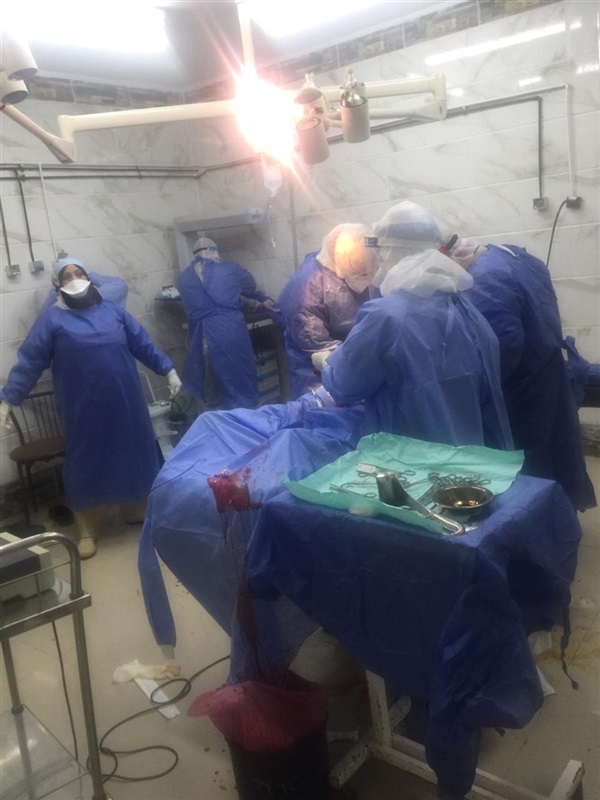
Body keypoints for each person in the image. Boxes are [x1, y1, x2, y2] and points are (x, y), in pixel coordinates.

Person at [0, 258, 182, 559]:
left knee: (133, 452)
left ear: (90, 278)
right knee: (87, 461)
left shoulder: (113, 311)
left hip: (126, 401)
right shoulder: (52, 320)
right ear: (57, 284)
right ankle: (87, 529)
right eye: (67, 275)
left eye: (79, 273)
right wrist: (9, 398)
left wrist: (168, 369)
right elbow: (30, 361)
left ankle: (134, 510)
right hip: (83, 406)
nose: (74, 278)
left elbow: (143, 344)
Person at [318, 203, 514, 450]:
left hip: (409, 461)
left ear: (389, 253)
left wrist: (326, 362)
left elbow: (343, 386)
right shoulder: (465, 309)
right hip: (468, 460)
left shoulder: (386, 316)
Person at [434, 213, 596, 511]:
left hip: (522, 392)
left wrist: (469, 388)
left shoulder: (486, 281)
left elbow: (500, 350)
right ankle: (559, 512)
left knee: (531, 464)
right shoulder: (511, 255)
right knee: (556, 448)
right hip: (548, 373)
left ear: (443, 255)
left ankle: (538, 521)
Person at [277, 223, 378, 399]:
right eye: (360, 274)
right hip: (317, 378)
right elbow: (317, 347)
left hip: (354, 366)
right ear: (340, 262)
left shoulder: (359, 261)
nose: (365, 282)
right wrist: (352, 362)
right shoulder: (307, 289)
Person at [177, 237, 276, 410]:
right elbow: (249, 286)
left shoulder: (183, 278)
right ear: (215, 252)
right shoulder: (229, 269)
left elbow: (213, 299)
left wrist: (252, 302)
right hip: (228, 333)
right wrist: (258, 301)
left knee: (212, 391)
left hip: (201, 341)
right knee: (241, 386)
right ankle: (248, 422)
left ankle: (218, 425)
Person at [40, 257, 129, 312]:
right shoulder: (54, 313)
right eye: (67, 277)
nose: (74, 280)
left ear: (87, 276)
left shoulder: (104, 298)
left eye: (79, 274)